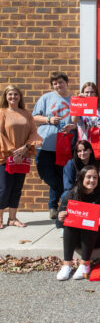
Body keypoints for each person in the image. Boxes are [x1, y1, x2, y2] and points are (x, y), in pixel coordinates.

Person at [56, 165, 100, 280]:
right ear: (82, 178)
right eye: (89, 177)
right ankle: (67, 265)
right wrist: (61, 218)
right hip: (75, 238)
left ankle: (85, 264)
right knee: (69, 224)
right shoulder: (71, 194)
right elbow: (58, 224)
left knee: (89, 223)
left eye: (95, 178)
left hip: (96, 238)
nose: (92, 180)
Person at [33, 72, 75, 219]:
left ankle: (53, 207)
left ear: (66, 82)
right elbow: (34, 116)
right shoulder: (46, 98)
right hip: (44, 144)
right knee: (47, 174)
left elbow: (78, 121)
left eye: (60, 82)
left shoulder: (73, 100)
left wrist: (73, 126)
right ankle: (58, 198)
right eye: (55, 83)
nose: (58, 85)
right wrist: (49, 119)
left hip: (63, 146)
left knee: (60, 175)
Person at [0, 85, 41, 228]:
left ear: (20, 97)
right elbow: (0, 134)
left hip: (23, 155)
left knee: (17, 187)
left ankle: (12, 218)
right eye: (10, 94)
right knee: (4, 188)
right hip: (5, 156)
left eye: (16, 94)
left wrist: (25, 148)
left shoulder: (26, 114)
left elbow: (34, 133)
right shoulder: (2, 112)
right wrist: (13, 152)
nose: (13, 97)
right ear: (6, 97)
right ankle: (0, 218)